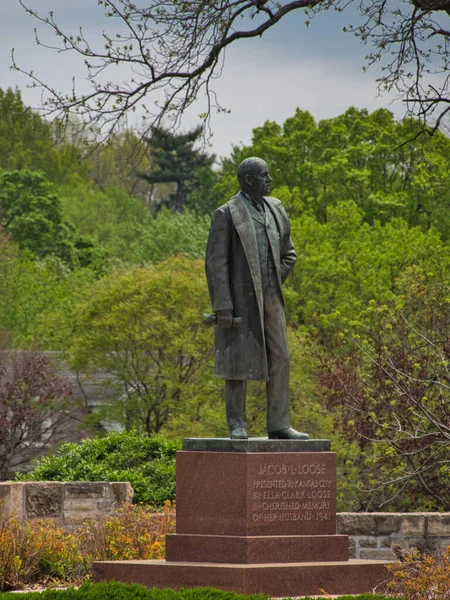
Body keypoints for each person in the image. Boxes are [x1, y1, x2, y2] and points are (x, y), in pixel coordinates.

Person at [205, 157, 309, 440]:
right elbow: (216, 264)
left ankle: (278, 423)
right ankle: (236, 423)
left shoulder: (276, 209)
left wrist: (273, 278)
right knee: (237, 362)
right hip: (239, 301)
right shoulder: (226, 214)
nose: (269, 180)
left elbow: (289, 253)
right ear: (248, 180)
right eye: (264, 175)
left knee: (281, 357)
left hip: (272, 297)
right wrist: (223, 305)